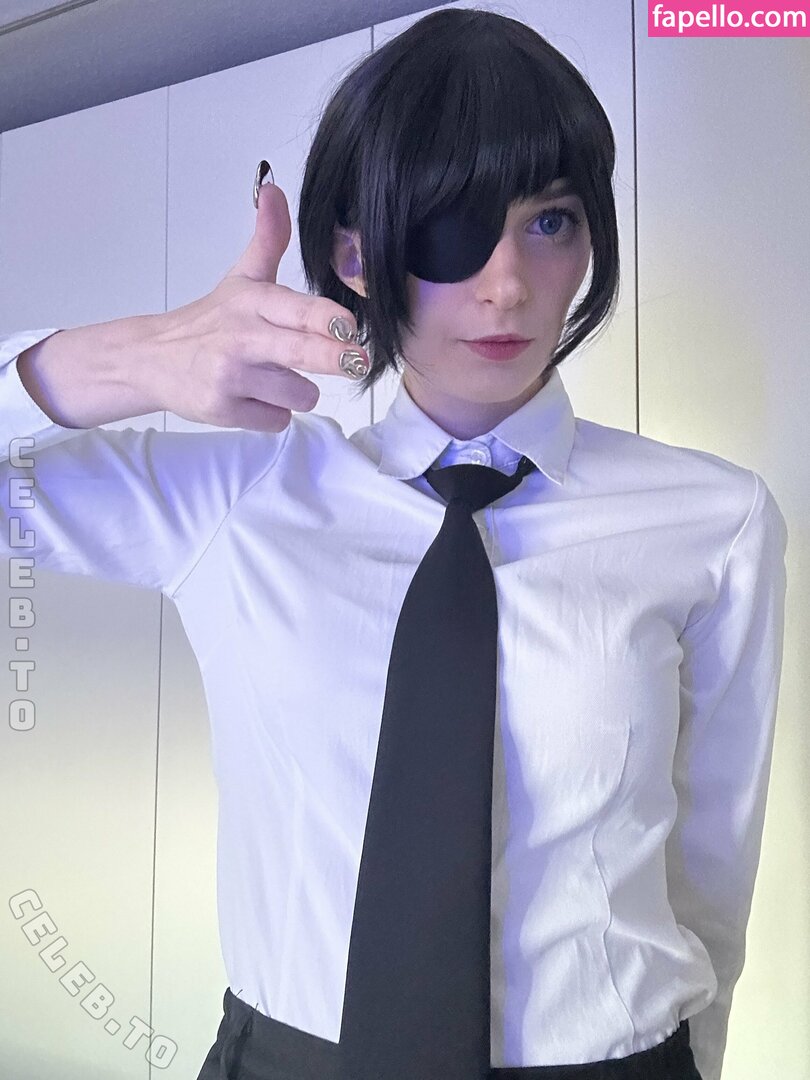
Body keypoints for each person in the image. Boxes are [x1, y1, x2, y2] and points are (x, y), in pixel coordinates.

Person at [0, 8, 788, 1080]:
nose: (507, 285)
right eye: (452, 226)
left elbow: (710, 871)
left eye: (551, 221)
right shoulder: (242, 500)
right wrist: (136, 357)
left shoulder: (712, 521)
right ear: (355, 253)